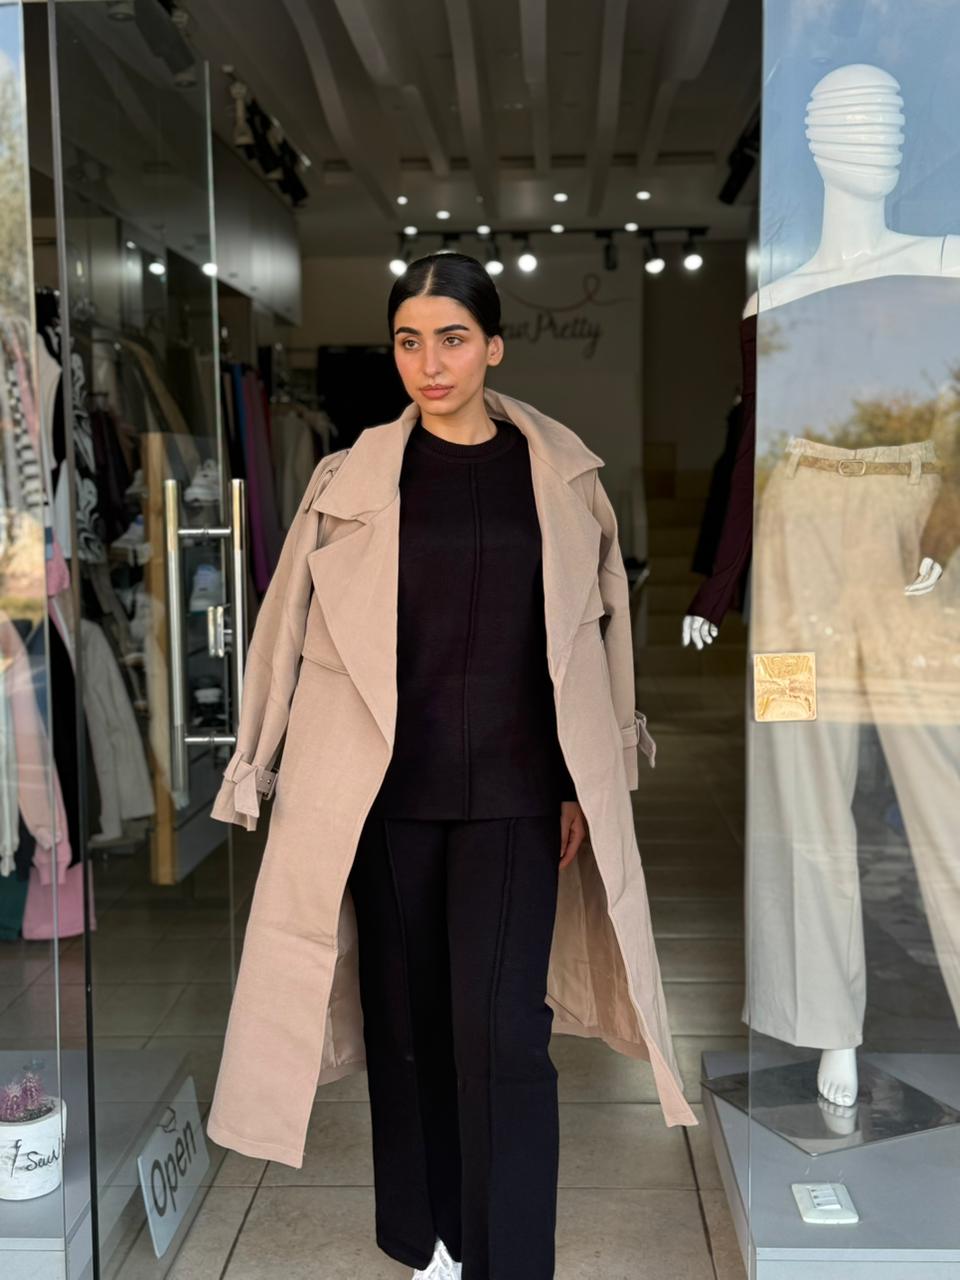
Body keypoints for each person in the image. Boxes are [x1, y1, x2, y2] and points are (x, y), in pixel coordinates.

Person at [206, 251, 694, 1280]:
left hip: (517, 798)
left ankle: (506, 1258)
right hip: (383, 800)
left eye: (453, 338)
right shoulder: (348, 483)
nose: (430, 363)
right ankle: (426, 1238)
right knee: (409, 1026)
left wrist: (583, 780)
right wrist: (256, 759)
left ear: (495, 347)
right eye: (409, 341)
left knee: (504, 1032)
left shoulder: (563, 480)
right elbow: (281, 631)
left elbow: (600, 639)